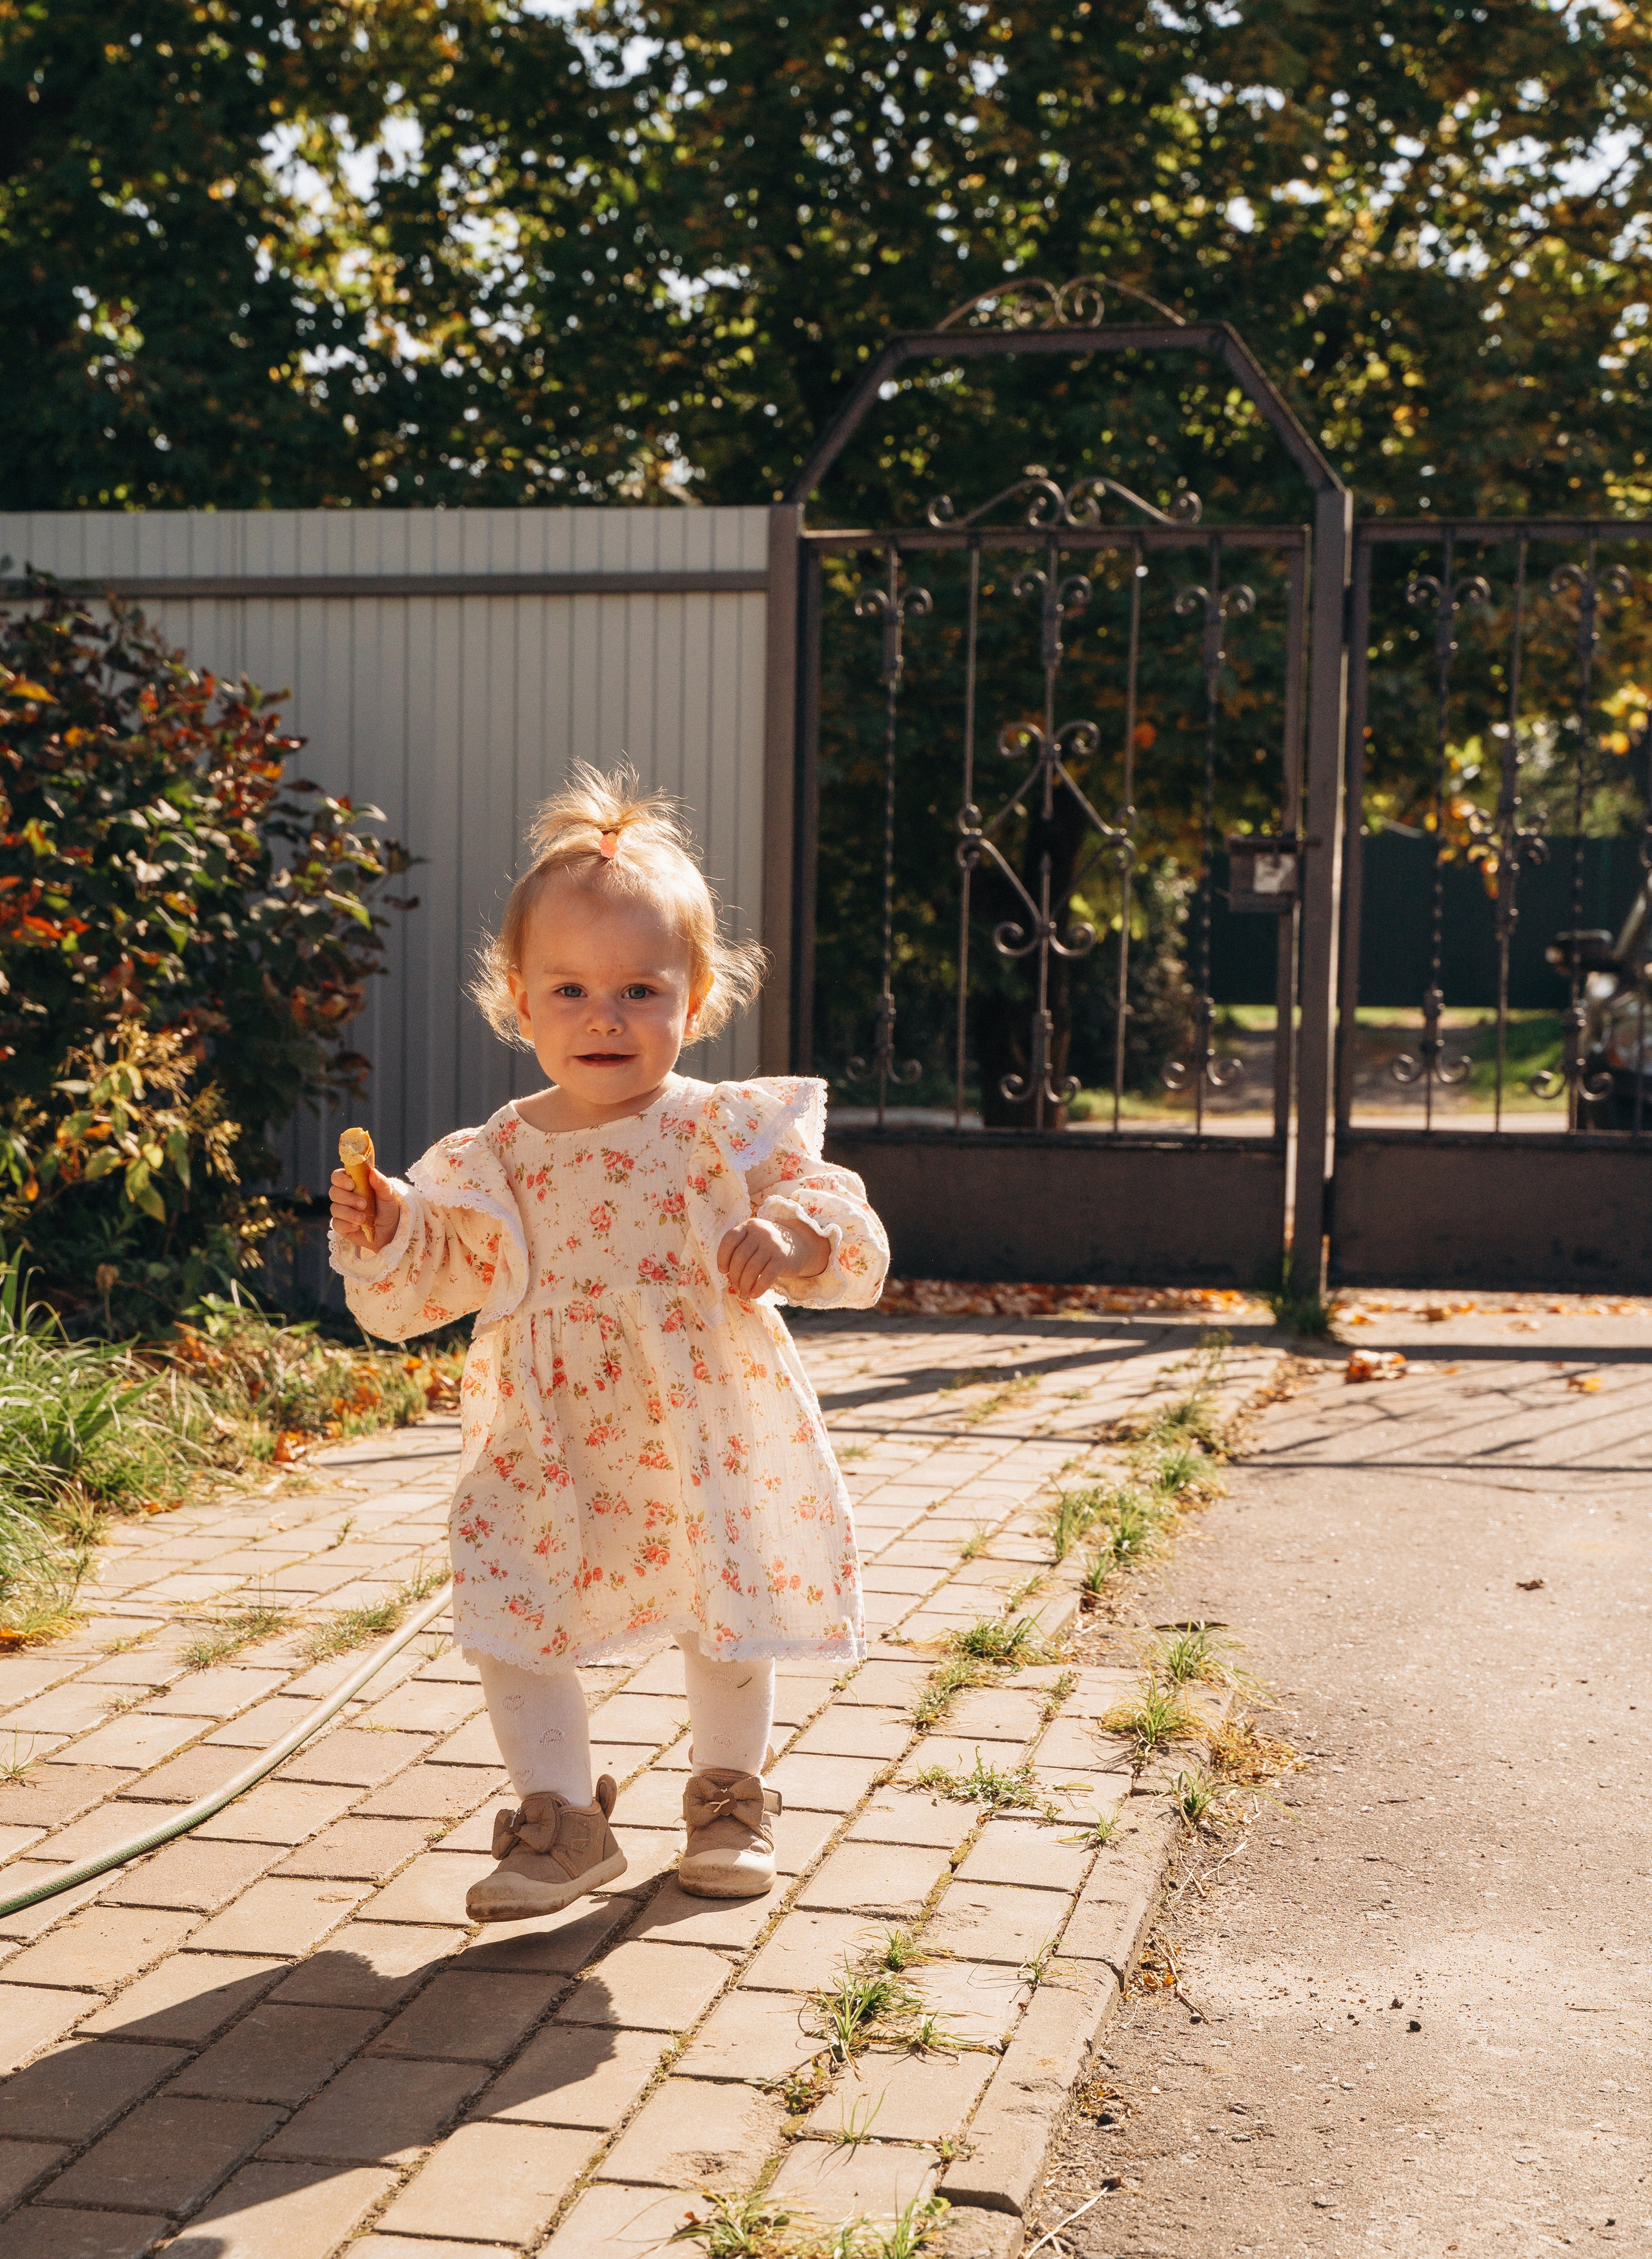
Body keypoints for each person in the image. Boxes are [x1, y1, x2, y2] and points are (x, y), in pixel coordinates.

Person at [328, 765, 889, 1923]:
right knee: (512, 1601)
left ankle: (729, 1794)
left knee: (720, 1593)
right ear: (519, 1004)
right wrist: (390, 1229)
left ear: (694, 1004)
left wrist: (787, 1233)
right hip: (549, 1433)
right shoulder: (494, 1156)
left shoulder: (723, 1132)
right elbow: (430, 1280)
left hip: (704, 1418)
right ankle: (559, 1819)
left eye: (641, 989)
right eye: (572, 989)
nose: (606, 1017)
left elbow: (841, 1213)